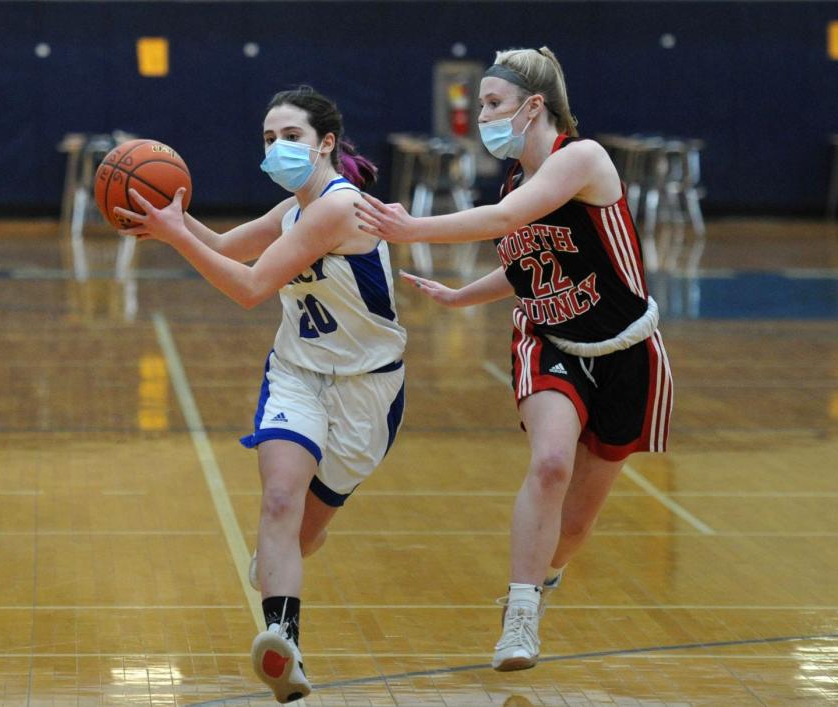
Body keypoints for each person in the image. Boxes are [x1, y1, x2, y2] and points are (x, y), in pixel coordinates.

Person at [356, 47, 672, 671]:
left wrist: (410, 229)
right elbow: (523, 264)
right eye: (481, 104)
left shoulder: (581, 158)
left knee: (575, 528)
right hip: (547, 340)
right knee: (550, 463)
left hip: (627, 353)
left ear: (534, 107)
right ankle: (521, 614)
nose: (482, 115)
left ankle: (541, 580)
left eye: (493, 103)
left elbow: (504, 220)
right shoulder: (514, 181)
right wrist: (461, 295)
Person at [114, 86, 407, 703]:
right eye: (269, 139)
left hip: (367, 391)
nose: (277, 148)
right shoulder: (291, 210)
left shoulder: (336, 207)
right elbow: (224, 248)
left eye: (291, 136)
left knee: (302, 532)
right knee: (279, 500)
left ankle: (283, 566)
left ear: (326, 142)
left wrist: (174, 236)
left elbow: (248, 289)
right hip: (297, 374)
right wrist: (166, 212)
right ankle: (284, 642)